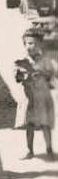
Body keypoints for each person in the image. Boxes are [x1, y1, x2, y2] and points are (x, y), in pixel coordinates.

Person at [14, 28, 56, 160]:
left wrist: (42, 74)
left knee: (45, 123)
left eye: (33, 43)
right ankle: (30, 150)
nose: (29, 46)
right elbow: (17, 79)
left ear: (39, 45)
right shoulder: (22, 61)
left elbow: (52, 76)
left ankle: (49, 149)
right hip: (30, 98)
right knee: (30, 124)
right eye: (27, 43)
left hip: (42, 97)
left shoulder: (44, 60)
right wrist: (20, 76)